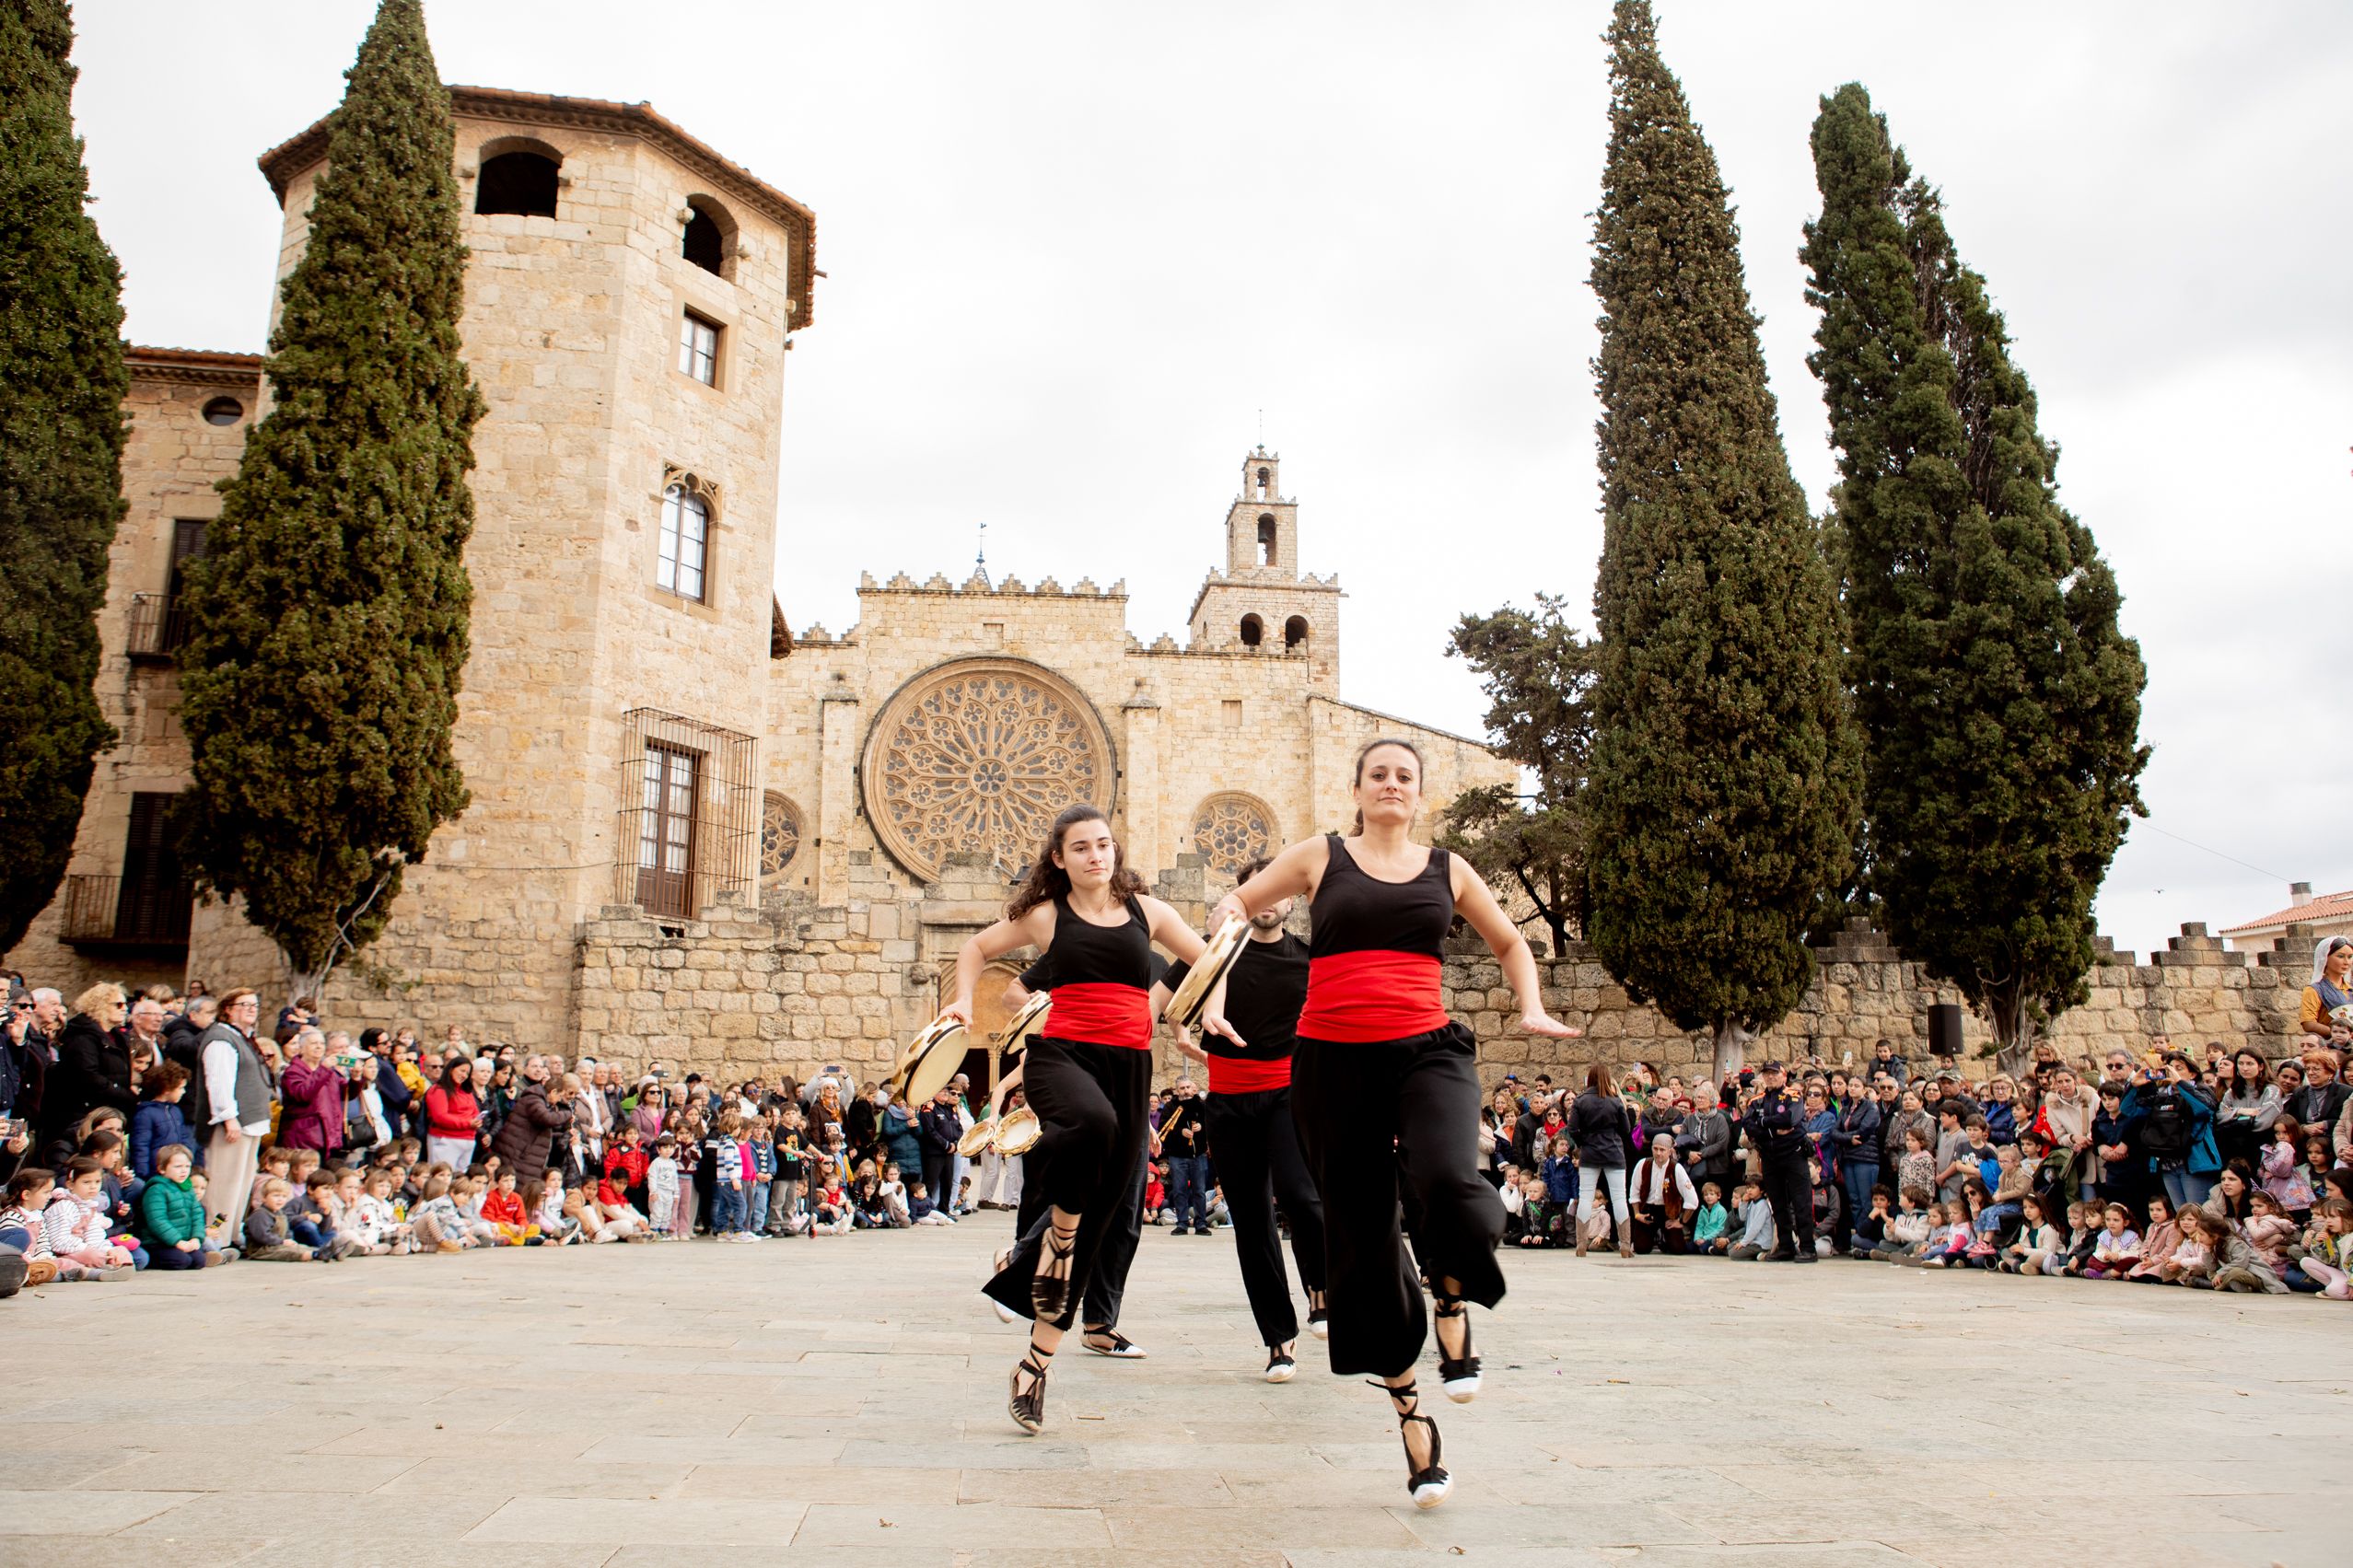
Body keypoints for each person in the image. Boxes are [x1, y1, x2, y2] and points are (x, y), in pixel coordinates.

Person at [1205, 738, 1579, 1510]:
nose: (1390, 784)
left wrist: (1530, 1003)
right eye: (1377, 773)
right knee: (1363, 1240)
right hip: (1332, 1064)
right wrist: (1223, 917)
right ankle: (1413, 1421)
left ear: (1419, 793)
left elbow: (1509, 940)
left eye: (1403, 775)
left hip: (1425, 1051)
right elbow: (1240, 902)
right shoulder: (1319, 855)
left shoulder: (1450, 868)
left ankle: (1448, 1296)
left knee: (1448, 1176)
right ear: (1356, 787)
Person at [951, 805, 1226, 1435]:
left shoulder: (1148, 913)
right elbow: (975, 947)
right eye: (1081, 847)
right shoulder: (1046, 916)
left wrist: (1205, 1011)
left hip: (1128, 1068)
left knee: (1101, 1218)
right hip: (1060, 1056)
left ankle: (1034, 1364)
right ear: (1059, 858)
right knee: (1093, 1127)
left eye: (1103, 844)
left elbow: (1207, 960)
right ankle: (1057, 1232)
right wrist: (964, 999)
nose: (1095, 855)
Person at [1163, 854, 1330, 1382]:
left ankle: (1321, 1291)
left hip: (1287, 1095)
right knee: (1251, 1224)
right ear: (1243, 897)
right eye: (1254, 889)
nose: (1268, 898)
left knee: (1303, 1198)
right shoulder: (1210, 954)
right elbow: (1157, 1005)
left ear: (1289, 897)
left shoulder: (1309, 957)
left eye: (1276, 888)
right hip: (1229, 1102)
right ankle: (1279, 1341)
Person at [189, 989, 272, 1237]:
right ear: (228, 1008)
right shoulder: (221, 1039)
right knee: (224, 1184)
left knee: (242, 1183)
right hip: (233, 1122)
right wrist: (229, 1117)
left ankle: (233, 1234)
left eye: (254, 1004)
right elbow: (218, 1081)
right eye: (243, 1004)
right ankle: (217, 1236)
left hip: (252, 1121)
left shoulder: (244, 1037)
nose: (251, 1008)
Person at [1741, 1062, 1817, 1262]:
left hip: (1793, 1154)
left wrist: (1764, 1123)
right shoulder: (1756, 1101)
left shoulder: (1794, 1095)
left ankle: (1808, 1247)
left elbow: (1790, 1119)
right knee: (1778, 1204)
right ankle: (1786, 1246)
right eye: (1767, 1074)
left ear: (1783, 1075)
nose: (1771, 1077)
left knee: (1801, 1202)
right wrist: (1772, 1128)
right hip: (1769, 1156)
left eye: (1774, 1074)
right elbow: (1748, 1126)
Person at [1569, 1063, 1634, 1258]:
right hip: (1613, 1152)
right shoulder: (1615, 1102)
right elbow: (1626, 1130)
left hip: (1590, 1152)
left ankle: (1581, 1244)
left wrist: (1585, 1142)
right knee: (1619, 1198)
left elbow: (1572, 1129)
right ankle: (1624, 1245)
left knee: (1586, 1196)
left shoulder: (1580, 1101)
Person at [1823, 1080, 1881, 1256]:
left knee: (1865, 1200)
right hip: (1848, 1158)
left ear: (1864, 1089)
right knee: (1854, 1201)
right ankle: (1859, 1238)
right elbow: (1834, 1132)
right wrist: (1849, 1138)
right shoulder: (1846, 1109)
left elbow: (1864, 1131)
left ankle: (1868, 1237)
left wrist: (1845, 1136)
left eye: (1857, 1086)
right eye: (1851, 1086)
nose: (1853, 1088)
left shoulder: (1870, 1107)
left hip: (1865, 1158)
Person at [1627, 1133, 1696, 1254]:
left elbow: (1692, 1200)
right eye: (1655, 1149)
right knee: (1641, 1249)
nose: (1658, 1153)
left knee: (1678, 1249)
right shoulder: (1643, 1164)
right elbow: (1634, 1193)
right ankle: (1653, 1237)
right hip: (1648, 1210)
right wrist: (1637, 1214)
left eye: (1662, 1150)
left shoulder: (1676, 1168)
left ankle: (1664, 1240)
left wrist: (1681, 1221)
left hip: (1668, 1212)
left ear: (1670, 1151)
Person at [2303, 935, 2353, 1040]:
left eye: (2350, 957)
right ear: (2325, 958)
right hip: (2330, 1047)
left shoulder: (2350, 988)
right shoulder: (2314, 990)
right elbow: (2308, 1024)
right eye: (2340, 956)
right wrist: (2340, 1034)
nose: (2346, 962)